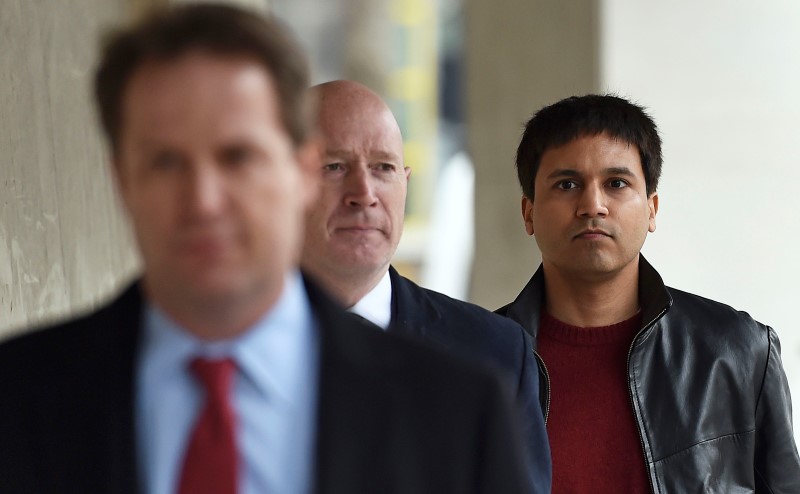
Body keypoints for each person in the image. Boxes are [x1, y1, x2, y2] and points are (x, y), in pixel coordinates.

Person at [0, 5, 532, 493]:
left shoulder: (462, 410)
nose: (204, 200)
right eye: (166, 162)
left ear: (297, 173)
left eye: (238, 157)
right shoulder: (21, 398)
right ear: (121, 180)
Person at [497, 93, 800, 493]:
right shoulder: (476, 358)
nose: (593, 205)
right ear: (528, 212)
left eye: (616, 183)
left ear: (652, 208)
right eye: (567, 184)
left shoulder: (738, 352)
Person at [301, 80, 551, 492]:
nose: (364, 194)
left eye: (383, 168)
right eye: (334, 167)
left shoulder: (496, 354)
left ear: (406, 182)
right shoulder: (218, 347)